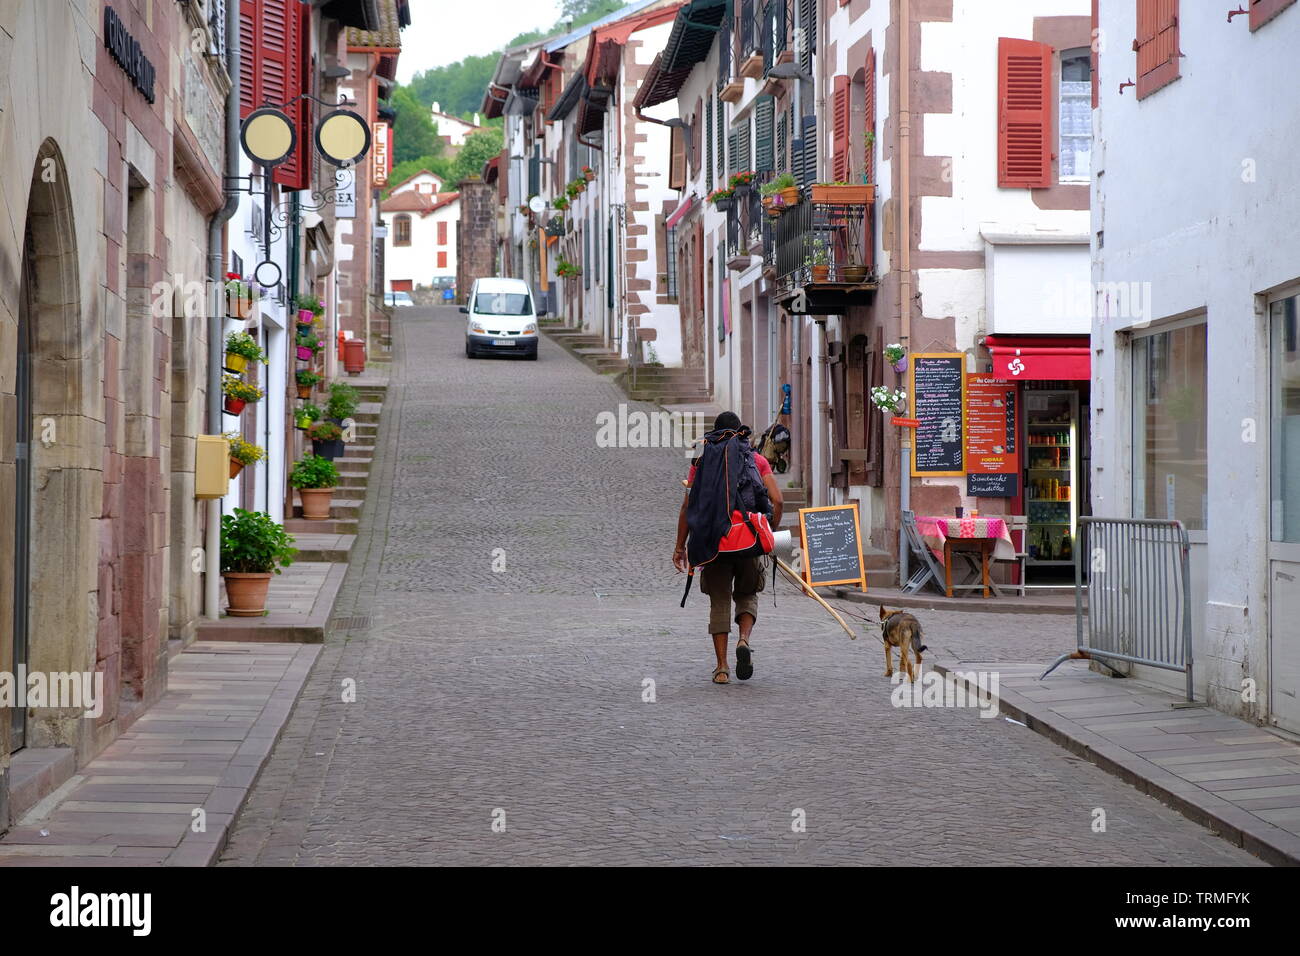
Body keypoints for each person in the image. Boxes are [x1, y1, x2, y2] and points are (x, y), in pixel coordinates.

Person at [673, 411, 783, 684]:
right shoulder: (756, 460)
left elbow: (688, 506)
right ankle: (743, 641)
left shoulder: (701, 462)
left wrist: (680, 548)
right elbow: (778, 500)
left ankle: (722, 668)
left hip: (714, 543)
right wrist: (768, 532)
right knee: (747, 594)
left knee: (719, 600)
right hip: (747, 540)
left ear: (715, 434)